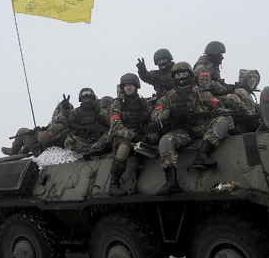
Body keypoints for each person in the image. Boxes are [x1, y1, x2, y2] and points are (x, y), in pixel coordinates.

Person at [152, 62, 233, 196]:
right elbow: (155, 115)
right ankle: (171, 182)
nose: (181, 77)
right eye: (178, 75)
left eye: (184, 74)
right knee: (165, 141)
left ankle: (203, 154)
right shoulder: (167, 97)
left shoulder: (202, 93)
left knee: (223, 121)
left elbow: (220, 109)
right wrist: (170, 113)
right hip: (183, 131)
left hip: (202, 127)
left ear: (190, 75)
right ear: (174, 77)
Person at [105, 73, 152, 196]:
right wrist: (133, 136)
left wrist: (147, 134)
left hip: (140, 135)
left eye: (130, 85)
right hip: (122, 137)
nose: (128, 88)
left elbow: (151, 119)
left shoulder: (143, 103)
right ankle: (113, 184)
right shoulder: (117, 104)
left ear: (136, 87)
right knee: (124, 148)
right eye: (126, 86)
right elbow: (115, 126)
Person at [193, 41, 253, 114]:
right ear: (214, 54)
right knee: (234, 99)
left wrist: (233, 87)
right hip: (207, 98)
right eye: (220, 54)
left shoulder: (212, 65)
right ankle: (250, 119)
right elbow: (207, 84)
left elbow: (217, 83)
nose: (222, 57)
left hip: (215, 95)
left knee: (242, 92)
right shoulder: (202, 67)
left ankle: (253, 113)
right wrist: (228, 89)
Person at [2, 100, 74, 157]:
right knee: (30, 135)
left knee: (22, 131)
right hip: (49, 147)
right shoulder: (66, 124)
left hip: (43, 151)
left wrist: (37, 132)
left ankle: (13, 151)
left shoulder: (59, 124)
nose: (57, 113)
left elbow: (43, 138)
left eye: (59, 111)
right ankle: (21, 153)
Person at [63, 87, 110, 154]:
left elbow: (109, 122)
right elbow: (67, 120)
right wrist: (65, 110)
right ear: (81, 100)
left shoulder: (98, 110)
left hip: (100, 138)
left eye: (89, 98)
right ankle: (89, 150)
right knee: (69, 141)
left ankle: (96, 148)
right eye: (84, 99)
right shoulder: (76, 112)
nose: (87, 101)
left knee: (111, 133)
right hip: (83, 139)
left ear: (92, 99)